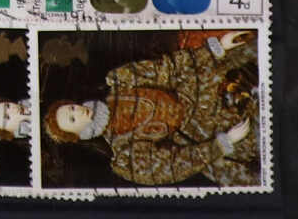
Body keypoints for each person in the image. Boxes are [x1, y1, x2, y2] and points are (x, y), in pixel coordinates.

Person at [42, 30, 259, 188]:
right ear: (76, 135)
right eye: (72, 119)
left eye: (72, 108)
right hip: (201, 130)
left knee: (250, 48)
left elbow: (167, 69)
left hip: (195, 85)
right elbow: (176, 165)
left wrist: (215, 49)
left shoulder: (118, 80)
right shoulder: (124, 156)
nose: (78, 112)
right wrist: (222, 144)